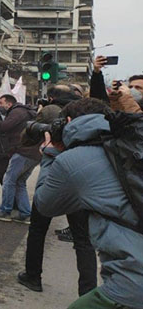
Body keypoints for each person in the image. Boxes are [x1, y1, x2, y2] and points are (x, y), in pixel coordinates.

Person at [34, 98, 143, 309]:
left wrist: (50, 153)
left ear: (67, 121)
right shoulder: (130, 145)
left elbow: (44, 204)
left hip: (132, 286)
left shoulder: (73, 160)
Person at [17, 99, 97, 297]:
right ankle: (88, 293)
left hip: (55, 182)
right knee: (83, 240)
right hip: (79, 187)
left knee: (37, 229)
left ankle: (33, 276)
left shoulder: (55, 117)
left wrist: (47, 151)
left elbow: (27, 139)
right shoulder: (90, 128)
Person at [0, 94, 39, 223]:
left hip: (23, 152)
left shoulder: (17, 112)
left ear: (9, 104)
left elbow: (2, 128)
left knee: (8, 180)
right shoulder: (24, 111)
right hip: (33, 153)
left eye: (1, 103)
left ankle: (4, 210)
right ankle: (25, 213)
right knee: (19, 181)